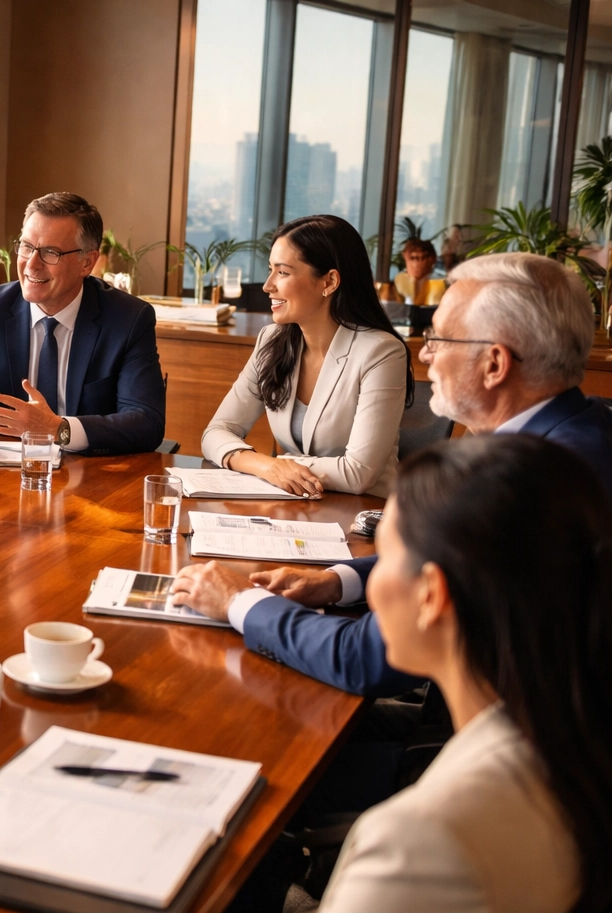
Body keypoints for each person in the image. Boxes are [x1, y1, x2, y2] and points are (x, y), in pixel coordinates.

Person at [156, 434, 612, 913]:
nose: (369, 583)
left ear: (431, 597)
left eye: (385, 558)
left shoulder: (428, 837)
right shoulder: (559, 731)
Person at [171, 253, 612, 698]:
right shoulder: (581, 432)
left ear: (494, 364)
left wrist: (239, 602)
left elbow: (362, 658)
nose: (425, 354)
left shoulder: (534, 484)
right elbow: (460, 560)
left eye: (440, 339)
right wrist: (338, 579)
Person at [0, 191, 165, 455]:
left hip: (88, 477)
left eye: (51, 252)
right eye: (26, 247)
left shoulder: (127, 319)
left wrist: (59, 429)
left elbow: (146, 422)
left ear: (87, 262)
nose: (31, 265)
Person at [203, 215, 409, 498]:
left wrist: (281, 466)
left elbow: (359, 472)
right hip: (298, 508)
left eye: (283, 273)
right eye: (269, 270)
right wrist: (265, 466)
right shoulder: (272, 340)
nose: (268, 285)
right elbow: (216, 432)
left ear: (329, 281)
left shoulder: (381, 352)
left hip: (363, 515)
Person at [393, 236, 446, 306]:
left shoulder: (441, 282)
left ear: (433, 258)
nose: (419, 263)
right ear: (405, 256)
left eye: (424, 257)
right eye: (414, 258)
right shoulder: (398, 281)